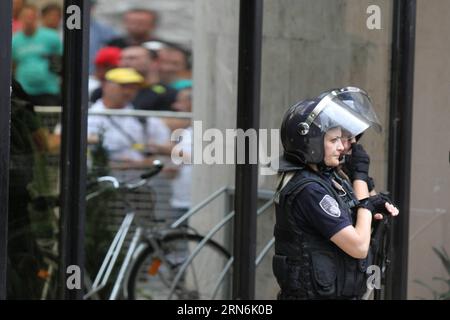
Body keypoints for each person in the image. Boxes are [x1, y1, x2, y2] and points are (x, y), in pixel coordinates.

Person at [272, 90, 399, 300]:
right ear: (310, 143)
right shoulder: (310, 190)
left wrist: (371, 204)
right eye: (334, 140)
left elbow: (358, 218)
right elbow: (358, 247)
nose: (342, 147)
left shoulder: (329, 178)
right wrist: (365, 203)